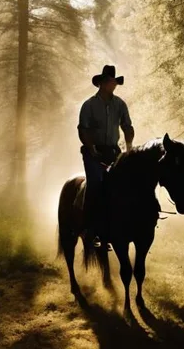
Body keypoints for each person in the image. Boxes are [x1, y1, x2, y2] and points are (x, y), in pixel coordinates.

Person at [77, 65, 134, 247]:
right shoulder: (89, 105)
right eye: (111, 82)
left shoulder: (120, 104)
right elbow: (83, 129)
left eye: (115, 82)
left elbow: (127, 126)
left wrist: (129, 145)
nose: (114, 85)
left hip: (113, 152)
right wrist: (91, 148)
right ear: (101, 83)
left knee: (125, 185)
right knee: (95, 184)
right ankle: (89, 228)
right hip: (94, 152)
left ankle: (122, 226)